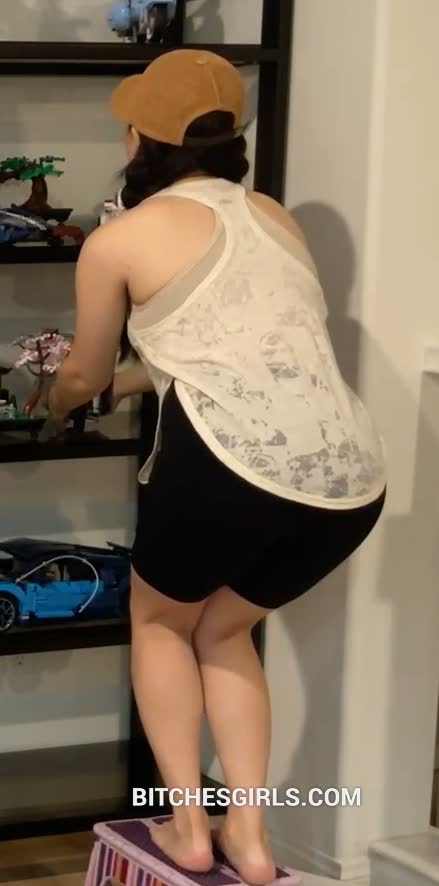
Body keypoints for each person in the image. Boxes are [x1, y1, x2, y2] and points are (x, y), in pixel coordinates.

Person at [48, 49, 386, 886]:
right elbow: (221, 351)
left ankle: (189, 830)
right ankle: (252, 839)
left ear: (142, 138)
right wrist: (133, 382)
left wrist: (56, 402)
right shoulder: (274, 217)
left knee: (161, 623)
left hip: (231, 468)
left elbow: (84, 372)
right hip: (347, 480)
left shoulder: (119, 239)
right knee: (225, 629)